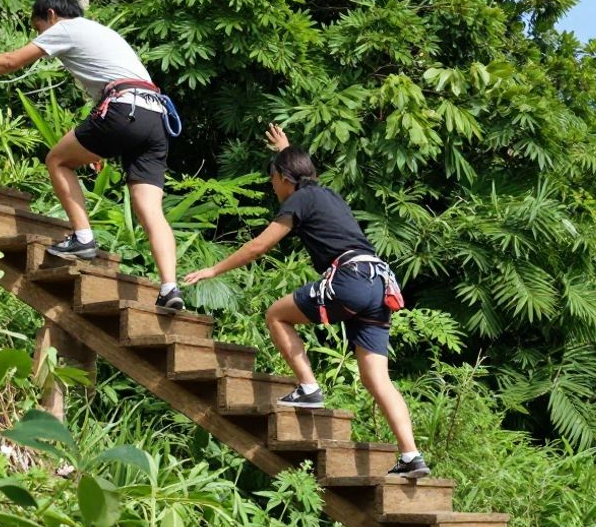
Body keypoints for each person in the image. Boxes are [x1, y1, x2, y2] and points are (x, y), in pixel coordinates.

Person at [182, 125, 430, 478]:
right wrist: (285, 149)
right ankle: (411, 456)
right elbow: (298, 172)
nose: (272, 186)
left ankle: (309, 388)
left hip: (351, 279)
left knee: (276, 316)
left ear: (286, 178)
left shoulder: (297, 199)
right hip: (381, 283)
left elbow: (259, 246)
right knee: (377, 378)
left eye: (274, 179)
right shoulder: (328, 194)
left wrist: (213, 269)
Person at [0, 0, 184, 310]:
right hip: (156, 117)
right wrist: (96, 149)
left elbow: (11, 62)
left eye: (39, 29)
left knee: (57, 161)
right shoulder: (100, 32)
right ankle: (170, 288)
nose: (41, 36)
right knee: (150, 209)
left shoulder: (64, 27)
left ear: (50, 15)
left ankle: (83, 238)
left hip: (124, 110)